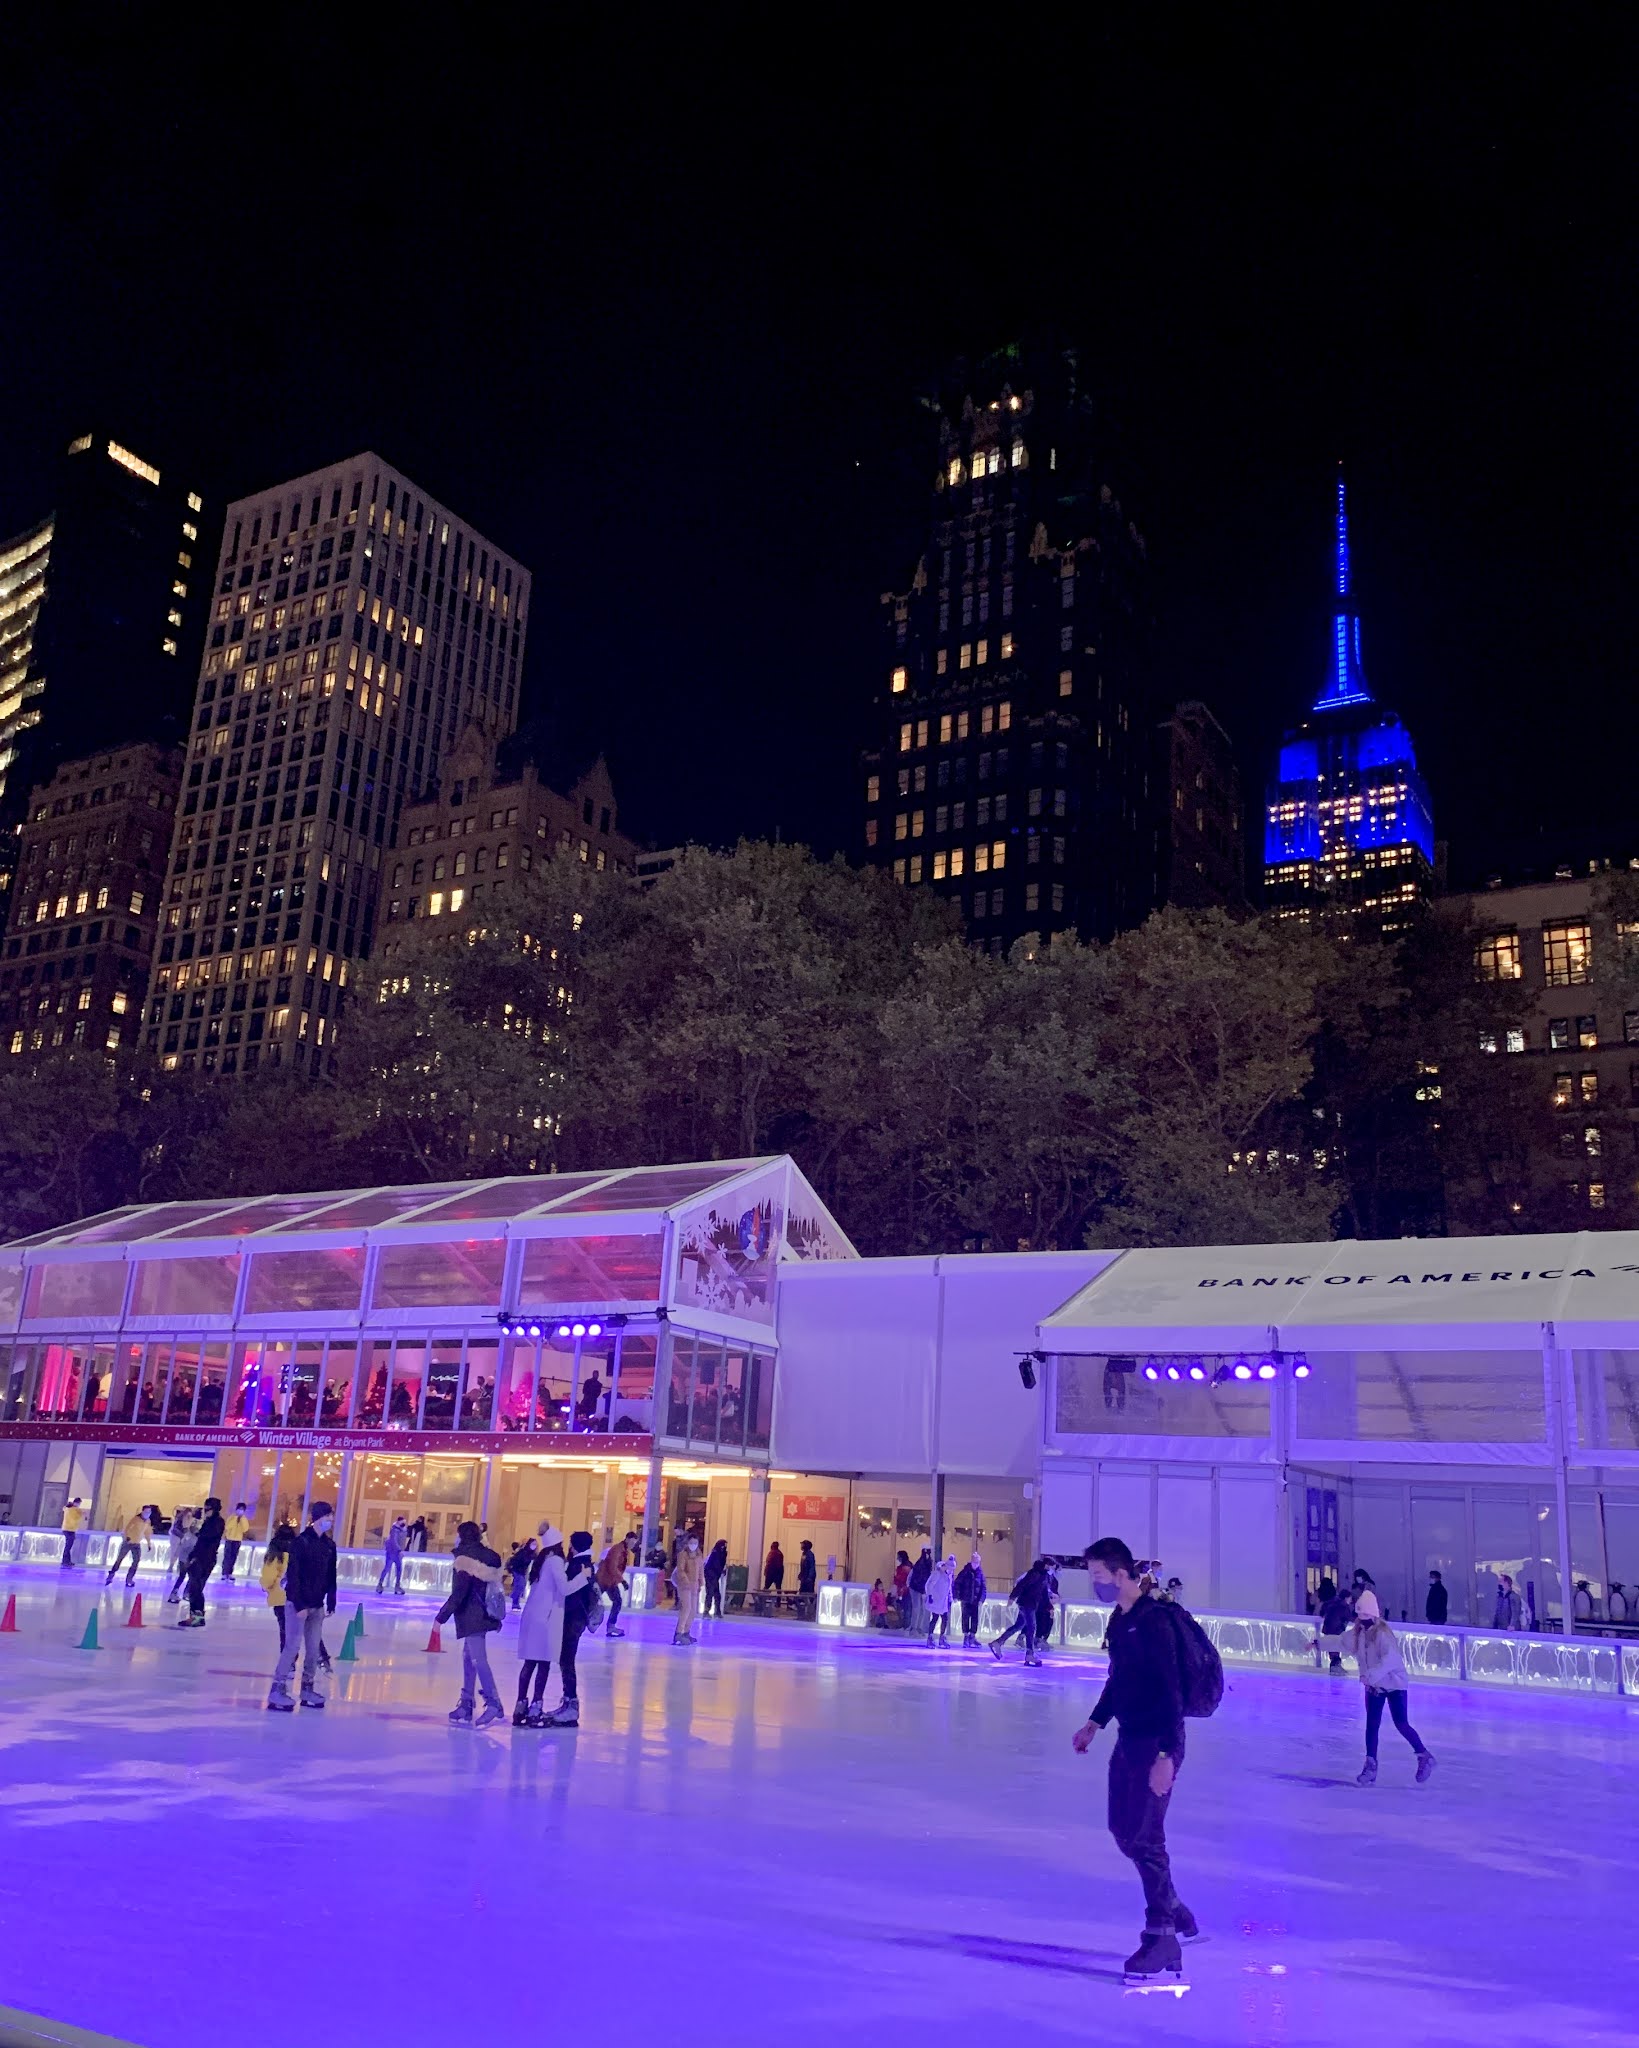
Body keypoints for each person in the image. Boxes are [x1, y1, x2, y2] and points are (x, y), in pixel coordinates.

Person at [1071, 1536, 1200, 1988]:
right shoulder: (1121, 1619)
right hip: (1130, 1739)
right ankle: (1172, 1906)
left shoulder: (1155, 1622)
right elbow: (1119, 1680)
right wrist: (1094, 1723)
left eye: (1099, 1577)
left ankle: (1161, 1934)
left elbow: (1171, 1693)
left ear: (1122, 1574)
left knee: (1146, 1838)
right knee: (1122, 1830)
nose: (1096, 1585)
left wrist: (1166, 1755)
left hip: (1158, 1743)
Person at [1335, 1589, 1436, 1786]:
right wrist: (1317, 1643)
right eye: (1359, 1615)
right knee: (1372, 1725)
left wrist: (1370, 1676)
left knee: (1401, 1723)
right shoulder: (1358, 1634)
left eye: (1365, 1615)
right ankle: (1370, 1766)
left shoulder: (1383, 1635)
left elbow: (1390, 1660)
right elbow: (1340, 1642)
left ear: (1373, 1615)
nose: (1361, 1619)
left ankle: (1424, 1756)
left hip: (1394, 1685)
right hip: (1374, 1686)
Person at [267, 1502, 338, 1712]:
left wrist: (331, 1600)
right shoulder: (301, 1543)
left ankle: (307, 1687)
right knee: (292, 1647)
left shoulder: (329, 1545)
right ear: (317, 1518)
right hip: (298, 1604)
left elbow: (330, 1575)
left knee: (314, 1649)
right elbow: (294, 1575)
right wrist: (298, 1603)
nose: (330, 1520)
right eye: (327, 1516)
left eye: (331, 1516)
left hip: (317, 1605)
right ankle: (277, 1688)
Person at [436, 1521, 506, 1727]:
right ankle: (466, 1703)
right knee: (469, 1657)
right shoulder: (488, 1556)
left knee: (477, 1659)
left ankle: (493, 1703)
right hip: (485, 1614)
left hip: (472, 1615)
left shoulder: (464, 1560)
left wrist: (441, 1617)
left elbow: (459, 1592)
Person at [515, 1525, 569, 1726]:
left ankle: (520, 1704)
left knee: (529, 1664)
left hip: (532, 1615)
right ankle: (536, 1705)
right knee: (543, 1664)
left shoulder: (541, 1560)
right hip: (544, 1619)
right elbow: (564, 1588)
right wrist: (583, 1577)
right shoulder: (555, 1561)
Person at [552, 1531, 598, 1725]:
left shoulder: (578, 1564)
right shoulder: (587, 1562)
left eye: (571, 1544)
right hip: (576, 1618)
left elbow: (569, 1591)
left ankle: (571, 1703)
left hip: (572, 1618)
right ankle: (568, 1700)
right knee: (566, 1659)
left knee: (567, 1659)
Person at [991, 1558, 1049, 1665]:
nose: (1051, 1569)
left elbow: (1044, 1593)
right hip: (1027, 1604)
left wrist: (1049, 1606)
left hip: (1029, 1604)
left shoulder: (1043, 1576)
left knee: (1019, 1625)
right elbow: (1021, 1585)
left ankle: (998, 1642)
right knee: (1031, 1628)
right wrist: (1012, 1597)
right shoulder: (1035, 1574)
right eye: (1050, 1566)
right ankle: (1029, 1654)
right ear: (1046, 1565)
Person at [178, 1498, 225, 1628]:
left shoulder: (216, 1523)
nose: (205, 1512)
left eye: (207, 1509)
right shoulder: (212, 1522)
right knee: (195, 1588)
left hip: (204, 1559)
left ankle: (197, 1616)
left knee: (196, 1588)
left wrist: (194, 1556)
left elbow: (205, 1540)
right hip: (203, 1558)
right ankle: (196, 1616)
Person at [262, 1524, 294, 1653]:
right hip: (296, 1598)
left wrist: (266, 1586)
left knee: (284, 1630)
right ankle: (292, 1658)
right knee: (293, 1630)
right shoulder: (296, 1553)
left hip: (280, 1598)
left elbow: (269, 1577)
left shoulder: (275, 1555)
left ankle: (287, 1661)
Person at [105, 1505, 153, 1588]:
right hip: (128, 1542)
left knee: (136, 1561)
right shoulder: (135, 1519)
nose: (148, 1513)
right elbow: (127, 1529)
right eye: (146, 1511)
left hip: (137, 1544)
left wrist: (149, 1543)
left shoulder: (147, 1521)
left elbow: (147, 1532)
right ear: (142, 1511)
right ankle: (111, 1575)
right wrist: (126, 1537)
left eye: (149, 1512)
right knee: (120, 1559)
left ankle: (129, 1579)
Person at [673, 1534, 704, 1644]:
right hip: (684, 1586)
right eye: (691, 1543)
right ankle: (679, 1633)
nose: (693, 1545)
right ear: (687, 1543)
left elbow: (700, 1571)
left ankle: (686, 1632)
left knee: (693, 1611)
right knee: (686, 1608)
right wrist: (685, 1581)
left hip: (694, 1586)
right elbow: (680, 1570)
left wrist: (701, 1583)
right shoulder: (683, 1555)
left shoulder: (699, 1556)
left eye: (695, 1543)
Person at [596, 1534, 628, 1638]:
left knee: (617, 1601)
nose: (633, 1545)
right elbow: (612, 1567)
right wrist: (622, 1581)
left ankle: (611, 1626)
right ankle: (580, 1620)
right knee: (592, 1601)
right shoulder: (617, 1550)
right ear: (627, 1539)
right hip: (605, 1580)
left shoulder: (622, 1550)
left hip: (610, 1581)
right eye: (632, 1542)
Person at [1317, 1577, 1353, 1670]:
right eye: (1350, 1599)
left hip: (1328, 1628)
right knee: (1336, 1647)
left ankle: (1334, 1664)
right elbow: (1348, 1617)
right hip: (1337, 1629)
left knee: (1331, 1647)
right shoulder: (1344, 1606)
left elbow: (1322, 1613)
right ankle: (1335, 1665)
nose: (1351, 1601)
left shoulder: (1329, 1602)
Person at [954, 1553, 986, 1647]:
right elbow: (957, 1584)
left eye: (977, 1562)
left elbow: (983, 1588)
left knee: (975, 1619)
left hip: (975, 1601)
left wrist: (981, 1599)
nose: (976, 1564)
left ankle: (972, 1637)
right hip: (966, 1600)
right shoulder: (965, 1572)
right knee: (965, 1618)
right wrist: (957, 1596)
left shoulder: (980, 1574)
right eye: (974, 1562)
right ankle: (966, 1637)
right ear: (971, 1561)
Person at [166, 1508, 196, 1604]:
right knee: (186, 1576)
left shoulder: (191, 1535)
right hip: (185, 1558)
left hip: (186, 1558)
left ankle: (182, 1593)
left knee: (187, 1576)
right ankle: (181, 1593)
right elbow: (183, 1546)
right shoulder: (187, 1535)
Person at [924, 1554, 955, 1645]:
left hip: (944, 1601)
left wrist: (950, 1597)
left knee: (945, 1619)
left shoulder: (949, 1574)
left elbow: (949, 1588)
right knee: (935, 1618)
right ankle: (930, 1637)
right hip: (936, 1600)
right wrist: (929, 1596)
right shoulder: (937, 1573)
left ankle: (942, 1637)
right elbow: (929, 1585)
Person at [220, 1503, 251, 1583]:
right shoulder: (231, 1517)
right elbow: (227, 1527)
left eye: (242, 1509)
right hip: (229, 1539)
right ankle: (224, 1573)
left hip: (237, 1540)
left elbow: (245, 1529)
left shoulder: (244, 1519)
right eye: (239, 1509)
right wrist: (235, 1519)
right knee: (227, 1557)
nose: (240, 1511)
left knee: (233, 1557)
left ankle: (230, 1573)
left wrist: (241, 1519)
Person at [379, 1516, 410, 1595]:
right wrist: (399, 1550)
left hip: (398, 1553)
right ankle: (380, 1584)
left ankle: (397, 1586)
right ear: (398, 1522)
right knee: (387, 1568)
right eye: (402, 1522)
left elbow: (402, 1541)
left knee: (399, 1570)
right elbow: (394, 1540)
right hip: (391, 1552)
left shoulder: (403, 1530)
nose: (404, 1523)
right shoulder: (394, 1530)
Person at [1035, 1557, 1060, 1655]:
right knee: (1039, 1621)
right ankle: (1036, 1640)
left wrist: (1055, 1597)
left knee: (1048, 1621)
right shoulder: (1040, 1576)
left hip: (1046, 1604)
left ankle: (1042, 1639)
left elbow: (1052, 1591)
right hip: (1039, 1604)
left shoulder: (1052, 1579)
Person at [505, 1535, 537, 1611]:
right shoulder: (523, 1552)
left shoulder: (532, 1554)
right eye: (533, 1544)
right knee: (520, 1586)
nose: (534, 1546)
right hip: (517, 1570)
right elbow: (516, 1560)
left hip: (522, 1572)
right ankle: (514, 1602)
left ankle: (515, 1601)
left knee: (521, 1586)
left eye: (535, 1544)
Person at [908, 1546, 933, 1634]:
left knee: (922, 1608)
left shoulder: (926, 1564)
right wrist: (923, 1590)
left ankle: (918, 1627)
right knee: (917, 1607)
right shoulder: (921, 1565)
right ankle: (914, 1627)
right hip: (916, 1588)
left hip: (920, 1588)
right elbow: (920, 1578)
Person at [703, 1537, 729, 1618]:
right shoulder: (715, 1554)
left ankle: (715, 1611)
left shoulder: (719, 1553)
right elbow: (716, 1565)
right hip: (711, 1576)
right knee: (711, 1593)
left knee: (715, 1594)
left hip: (714, 1576)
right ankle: (708, 1611)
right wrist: (720, 1571)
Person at [60, 1497, 84, 1569]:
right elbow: (75, 1519)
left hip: (67, 1529)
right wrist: (81, 1514)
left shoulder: (68, 1509)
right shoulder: (74, 1510)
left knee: (68, 1546)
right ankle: (65, 1561)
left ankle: (67, 1561)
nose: (79, 1505)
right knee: (68, 1546)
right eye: (79, 1503)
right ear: (77, 1503)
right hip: (69, 1529)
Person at [892, 1550, 912, 1626]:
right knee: (905, 1608)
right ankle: (905, 1624)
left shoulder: (905, 1568)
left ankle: (905, 1625)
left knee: (905, 1609)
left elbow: (902, 1579)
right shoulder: (907, 1566)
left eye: (898, 1557)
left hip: (904, 1591)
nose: (897, 1559)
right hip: (904, 1590)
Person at [797, 1540, 818, 1607]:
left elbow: (812, 1566)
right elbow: (803, 1565)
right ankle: (801, 1605)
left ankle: (811, 1606)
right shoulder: (804, 1554)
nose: (801, 1546)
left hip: (808, 1577)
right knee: (802, 1591)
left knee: (809, 1592)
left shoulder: (810, 1554)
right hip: (804, 1576)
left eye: (802, 1544)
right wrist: (801, 1574)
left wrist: (810, 1577)